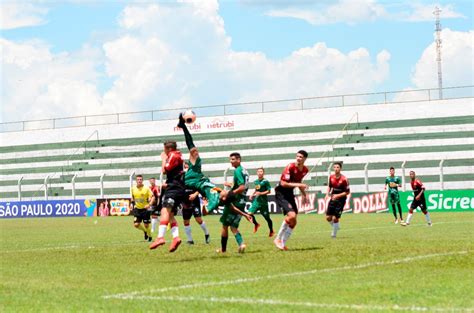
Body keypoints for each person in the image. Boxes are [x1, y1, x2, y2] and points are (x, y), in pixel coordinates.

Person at [177, 114, 221, 214]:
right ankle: (183, 126)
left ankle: (208, 207)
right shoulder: (181, 175)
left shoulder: (215, 200)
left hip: (193, 184)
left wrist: (203, 203)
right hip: (191, 183)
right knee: (194, 151)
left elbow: (205, 211)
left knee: (193, 151)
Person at [149, 141, 185, 252]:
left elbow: (164, 170)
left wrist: (163, 158)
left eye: (165, 149)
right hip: (176, 188)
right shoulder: (177, 155)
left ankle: (160, 238)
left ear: (168, 149)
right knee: (170, 215)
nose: (164, 151)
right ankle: (176, 237)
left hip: (174, 189)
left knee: (164, 211)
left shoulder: (173, 155)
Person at [273, 150, 310, 250]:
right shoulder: (290, 166)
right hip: (281, 193)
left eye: (301, 157)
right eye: (297, 156)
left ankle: (283, 243)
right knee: (292, 215)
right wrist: (299, 185)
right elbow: (283, 183)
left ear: (305, 159)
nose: (298, 158)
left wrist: (304, 195)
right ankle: (277, 239)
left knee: (293, 221)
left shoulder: (305, 170)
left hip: (290, 193)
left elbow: (299, 182)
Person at [217, 153, 250, 254]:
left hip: (235, 200)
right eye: (230, 159)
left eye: (233, 159)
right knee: (233, 226)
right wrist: (231, 185)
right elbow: (242, 185)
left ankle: (223, 250)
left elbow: (241, 187)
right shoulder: (245, 171)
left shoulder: (237, 170)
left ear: (239, 160)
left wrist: (230, 193)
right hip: (243, 200)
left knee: (224, 225)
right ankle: (241, 244)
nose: (231, 161)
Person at [325, 162, 350, 238]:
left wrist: (338, 195)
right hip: (333, 199)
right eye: (334, 167)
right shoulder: (331, 177)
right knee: (328, 218)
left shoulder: (344, 179)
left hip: (341, 200)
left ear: (340, 168)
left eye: (337, 167)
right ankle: (336, 226)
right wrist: (327, 194)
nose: (336, 169)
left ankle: (334, 235)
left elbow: (347, 192)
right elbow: (329, 186)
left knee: (335, 218)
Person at [248, 167, 274, 236]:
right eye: (258, 171)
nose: (259, 173)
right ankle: (256, 224)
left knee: (267, 218)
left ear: (263, 173)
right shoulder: (256, 181)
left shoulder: (266, 181)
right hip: (256, 201)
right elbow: (257, 190)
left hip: (263, 203)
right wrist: (252, 194)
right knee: (249, 214)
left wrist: (261, 193)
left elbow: (269, 191)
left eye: (261, 171)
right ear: (257, 173)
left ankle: (271, 231)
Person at [130, 175, 153, 242]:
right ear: (136, 181)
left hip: (145, 210)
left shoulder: (146, 188)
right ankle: (145, 231)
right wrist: (131, 204)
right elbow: (132, 198)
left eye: (140, 179)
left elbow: (153, 197)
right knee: (136, 225)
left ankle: (150, 236)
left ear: (142, 180)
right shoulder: (133, 188)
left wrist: (149, 204)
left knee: (146, 225)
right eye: (138, 179)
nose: (139, 181)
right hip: (137, 209)